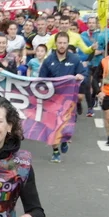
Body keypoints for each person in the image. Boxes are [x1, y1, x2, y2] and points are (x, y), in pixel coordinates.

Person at [38, 32, 86, 163]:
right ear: (55, 44)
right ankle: (55, 151)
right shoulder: (48, 60)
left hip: (68, 100)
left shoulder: (75, 59)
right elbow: (41, 79)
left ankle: (64, 139)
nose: (62, 45)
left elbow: (83, 73)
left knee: (64, 125)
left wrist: (81, 76)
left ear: (68, 44)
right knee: (53, 126)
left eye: (64, 43)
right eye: (60, 43)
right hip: (52, 99)